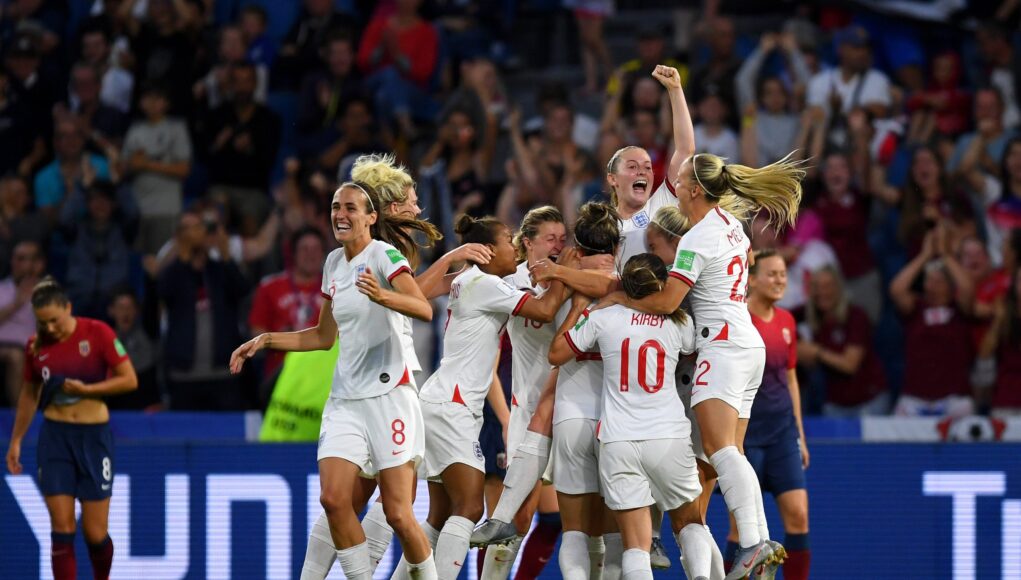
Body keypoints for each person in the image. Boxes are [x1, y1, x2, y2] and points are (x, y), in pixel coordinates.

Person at [599, 65, 806, 580]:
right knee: (721, 456)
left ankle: (753, 542)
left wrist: (618, 298)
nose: (673, 177)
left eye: (682, 177)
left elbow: (670, 300)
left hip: (714, 348)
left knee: (717, 451)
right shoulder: (731, 225)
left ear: (689, 189)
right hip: (743, 343)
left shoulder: (693, 239)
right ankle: (753, 545)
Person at [230, 181, 440, 580]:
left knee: (398, 513)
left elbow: (422, 308)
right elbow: (323, 337)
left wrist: (383, 296)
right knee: (332, 499)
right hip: (346, 400)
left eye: (350, 208)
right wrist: (267, 340)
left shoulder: (384, 255)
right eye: (335, 206)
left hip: (390, 396)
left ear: (371, 217)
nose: (340, 214)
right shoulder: (333, 263)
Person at [415, 213, 569, 580]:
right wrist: (567, 273)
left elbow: (418, 290)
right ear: (488, 250)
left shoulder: (470, 280)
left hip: (446, 400)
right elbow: (545, 309)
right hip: (456, 405)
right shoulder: (489, 284)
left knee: (440, 516)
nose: (514, 248)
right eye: (509, 241)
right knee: (472, 509)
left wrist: (452, 257)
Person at [549, 253, 709, 579]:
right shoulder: (679, 322)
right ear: (662, 284)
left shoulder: (604, 316)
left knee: (635, 545)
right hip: (667, 435)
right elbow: (693, 350)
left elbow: (557, 354)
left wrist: (588, 307)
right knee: (690, 523)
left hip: (618, 439)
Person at [5, 278, 138, 580]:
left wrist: (88, 390)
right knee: (62, 527)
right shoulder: (36, 346)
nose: (50, 328)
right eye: (42, 322)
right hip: (56, 438)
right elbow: (29, 393)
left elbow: (129, 379)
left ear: (68, 308)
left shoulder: (98, 333)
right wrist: (16, 440)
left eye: (54, 320)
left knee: (95, 533)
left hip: (94, 437)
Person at [481, 205, 566, 579]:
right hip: (524, 413)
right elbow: (485, 358)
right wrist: (504, 418)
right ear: (527, 243)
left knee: (566, 520)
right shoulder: (509, 284)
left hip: (569, 414)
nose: (558, 246)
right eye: (550, 239)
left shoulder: (573, 280)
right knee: (514, 518)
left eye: (563, 239)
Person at [732, 250, 810, 580]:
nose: (780, 280)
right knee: (741, 529)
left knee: (799, 517)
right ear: (751, 279)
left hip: (782, 435)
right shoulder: (738, 321)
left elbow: (790, 379)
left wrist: (799, 435)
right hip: (747, 435)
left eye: (783, 274)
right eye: (772, 274)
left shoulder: (787, 321)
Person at [889, 230, 976, 417]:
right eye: (929, 280)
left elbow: (968, 287)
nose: (932, 285)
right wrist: (924, 255)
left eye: (939, 281)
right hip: (915, 398)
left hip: (954, 399)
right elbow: (897, 289)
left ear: (950, 286)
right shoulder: (916, 308)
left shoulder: (959, 310)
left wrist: (946, 255)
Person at [796, 266, 889, 416]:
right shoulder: (810, 314)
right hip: (835, 402)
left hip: (868, 400)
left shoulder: (856, 316)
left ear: (839, 288)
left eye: (828, 286)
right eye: (817, 287)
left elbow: (850, 364)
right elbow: (776, 316)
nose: (822, 292)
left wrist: (816, 352)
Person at [120, 83, 192, 256]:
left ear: (167, 103)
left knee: (162, 261)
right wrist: (130, 165)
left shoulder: (176, 128)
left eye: (157, 98)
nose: (152, 103)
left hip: (166, 210)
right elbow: (123, 169)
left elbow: (183, 169)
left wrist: (147, 164)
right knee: (137, 263)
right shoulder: (135, 130)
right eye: (147, 98)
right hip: (137, 210)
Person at [248, 227, 328, 378]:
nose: (310, 254)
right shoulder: (270, 286)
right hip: (280, 375)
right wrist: (283, 339)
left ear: (323, 254)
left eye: (316, 249)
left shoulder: (337, 288)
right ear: (294, 254)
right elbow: (256, 332)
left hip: (323, 375)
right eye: (304, 249)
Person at [0, 241, 45, 406]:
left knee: (17, 356)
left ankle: (19, 414)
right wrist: (17, 303)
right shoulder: (1, 288)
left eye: (21, 259)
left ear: (38, 264)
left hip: (28, 349)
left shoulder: (47, 292)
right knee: (14, 355)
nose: (15, 263)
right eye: (15, 258)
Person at [980, 264, 1021, 415]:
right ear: (1014, 285)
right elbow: (984, 353)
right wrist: (998, 320)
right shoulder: (1004, 316)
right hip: (1007, 401)